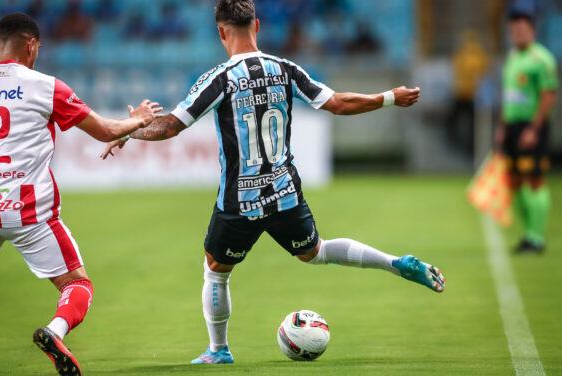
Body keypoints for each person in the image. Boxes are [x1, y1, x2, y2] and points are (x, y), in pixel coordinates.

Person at [102, 0, 445, 365]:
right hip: (284, 194)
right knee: (316, 252)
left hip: (240, 201)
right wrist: (390, 97)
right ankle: (396, 263)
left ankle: (219, 350)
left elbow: (170, 126)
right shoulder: (286, 69)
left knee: (216, 271)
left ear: (220, 32)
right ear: (258, 27)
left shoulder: (219, 78)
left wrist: (131, 128)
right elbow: (339, 103)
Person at [0, 13, 161, 376]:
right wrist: (140, 118)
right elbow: (105, 130)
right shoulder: (46, 86)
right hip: (24, 210)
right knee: (78, 284)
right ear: (32, 46)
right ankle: (55, 331)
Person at [495, 9, 557, 253]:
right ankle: (528, 234)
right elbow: (508, 97)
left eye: (521, 30)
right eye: (513, 31)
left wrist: (534, 128)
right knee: (514, 181)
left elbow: (548, 95)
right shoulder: (512, 58)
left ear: (532, 30)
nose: (517, 35)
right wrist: (501, 126)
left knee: (534, 180)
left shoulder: (541, 59)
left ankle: (537, 237)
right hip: (511, 126)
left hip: (531, 126)